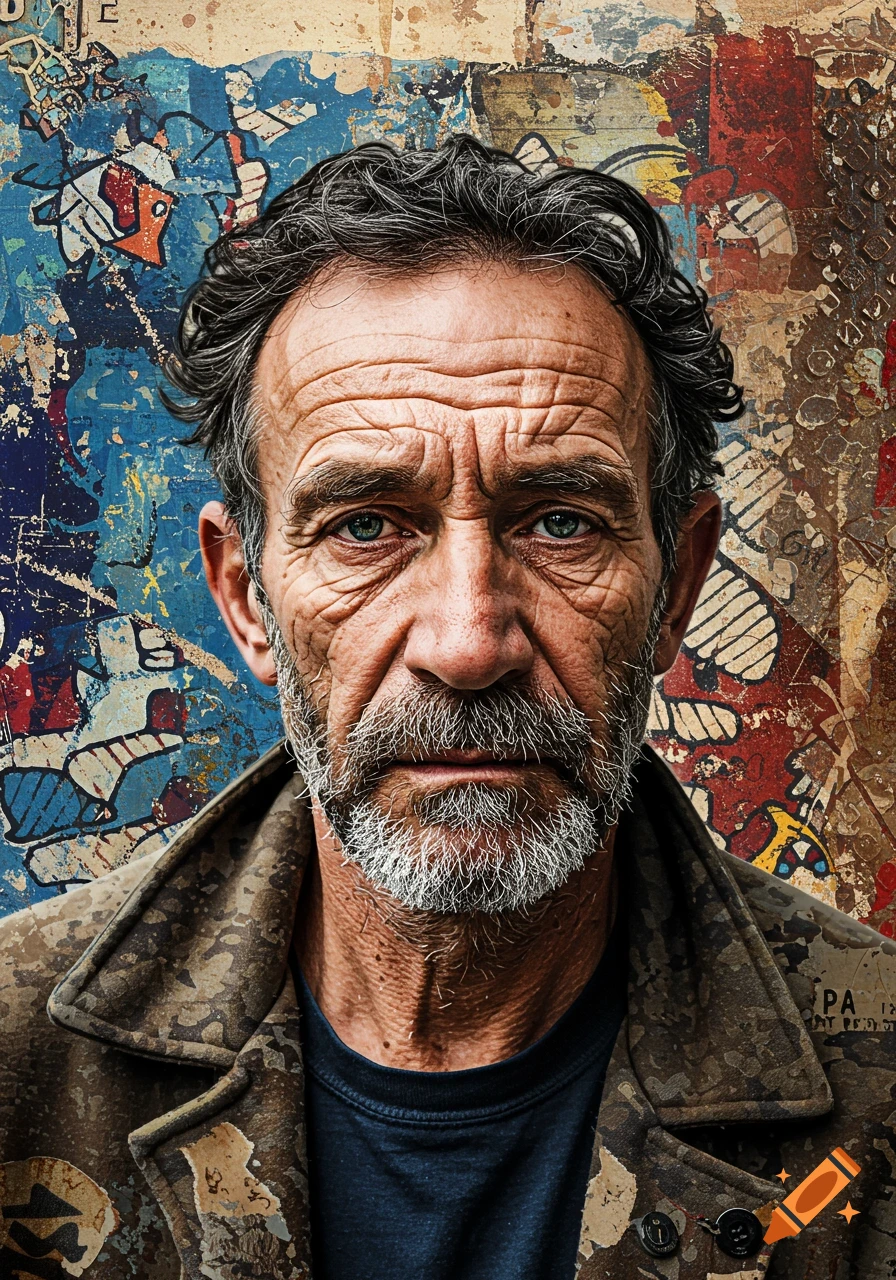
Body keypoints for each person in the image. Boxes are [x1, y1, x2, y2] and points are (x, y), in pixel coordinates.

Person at [1, 136, 894, 1280]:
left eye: (559, 519)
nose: (467, 642)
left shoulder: (874, 1101)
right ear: (245, 597)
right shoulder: (21, 1066)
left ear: (675, 586)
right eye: (367, 524)